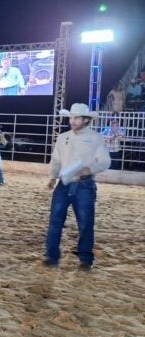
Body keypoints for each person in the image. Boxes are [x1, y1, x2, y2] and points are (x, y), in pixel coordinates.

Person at [44, 103, 111, 270]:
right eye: (71, 117)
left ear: (86, 120)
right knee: (55, 221)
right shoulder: (63, 137)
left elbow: (105, 161)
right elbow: (57, 160)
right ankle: (52, 255)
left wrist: (90, 169)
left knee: (85, 222)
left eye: (76, 118)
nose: (72, 121)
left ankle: (85, 258)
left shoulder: (95, 138)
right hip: (64, 183)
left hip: (84, 184)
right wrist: (52, 177)